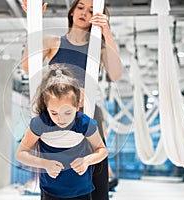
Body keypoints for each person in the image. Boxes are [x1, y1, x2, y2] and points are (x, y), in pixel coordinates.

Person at [21, 0, 123, 199]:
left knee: (96, 171)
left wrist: (106, 31)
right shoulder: (52, 42)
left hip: (88, 111)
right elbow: (27, 66)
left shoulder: (99, 49)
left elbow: (116, 74)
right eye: (81, 6)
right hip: (57, 114)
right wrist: (33, 20)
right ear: (72, 10)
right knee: (56, 170)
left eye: (92, 10)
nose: (85, 12)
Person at [15, 64, 108, 200]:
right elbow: (20, 154)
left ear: (77, 106)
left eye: (67, 112)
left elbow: (102, 150)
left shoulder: (84, 123)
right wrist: (44, 164)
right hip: (51, 191)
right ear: (46, 107)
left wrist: (86, 160)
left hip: (81, 191)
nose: (61, 119)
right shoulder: (40, 124)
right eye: (54, 112)